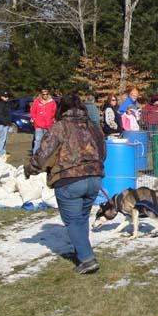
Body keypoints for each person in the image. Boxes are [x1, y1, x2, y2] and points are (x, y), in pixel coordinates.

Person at [25, 94, 106, 275]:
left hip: (69, 179)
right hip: (95, 177)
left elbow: (43, 153)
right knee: (82, 218)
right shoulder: (93, 127)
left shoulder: (59, 128)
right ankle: (82, 252)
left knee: (73, 220)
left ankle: (87, 259)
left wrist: (30, 169)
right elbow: (103, 152)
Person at [30, 88, 57, 154]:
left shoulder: (52, 102)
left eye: (46, 94)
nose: (45, 95)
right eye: (43, 94)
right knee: (38, 140)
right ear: (41, 94)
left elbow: (54, 112)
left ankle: (44, 155)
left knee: (46, 141)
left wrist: (52, 119)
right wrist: (33, 119)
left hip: (48, 125)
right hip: (38, 124)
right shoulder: (37, 101)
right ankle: (35, 155)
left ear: (48, 94)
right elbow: (33, 111)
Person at [0, 91, 12, 157]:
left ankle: (3, 151)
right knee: (2, 138)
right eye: (5, 97)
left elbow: (8, 114)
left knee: (4, 138)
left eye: (7, 96)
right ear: (2, 97)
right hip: (1, 124)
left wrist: (9, 123)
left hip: (6, 123)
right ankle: (0, 152)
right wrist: (5, 122)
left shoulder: (7, 104)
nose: (6, 98)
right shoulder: (0, 104)